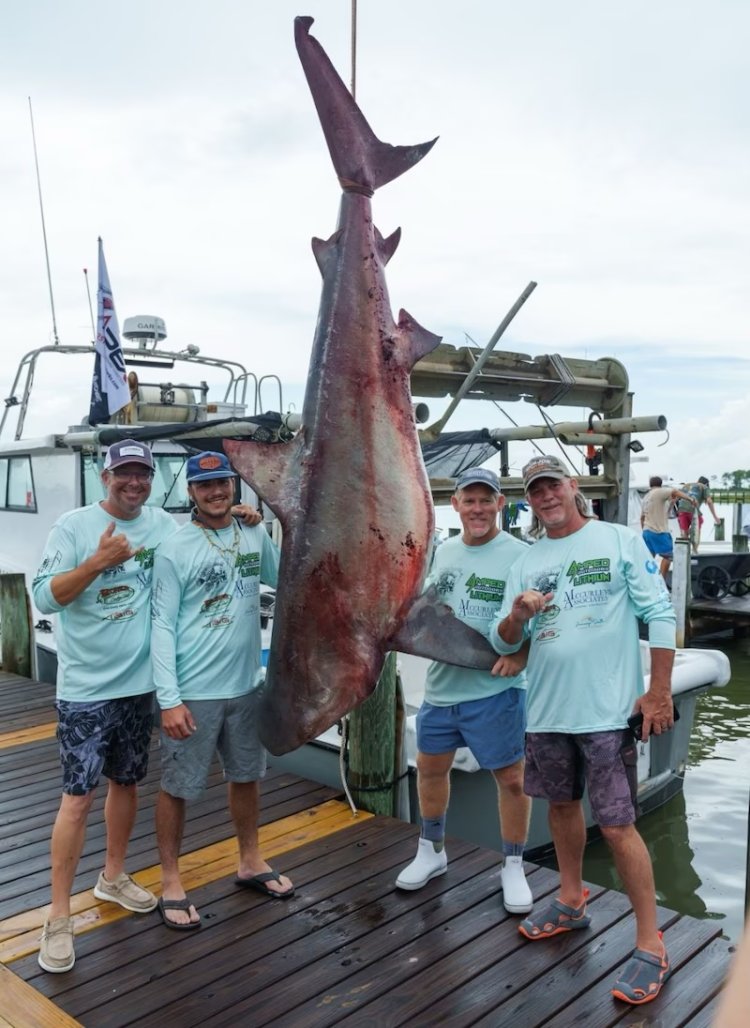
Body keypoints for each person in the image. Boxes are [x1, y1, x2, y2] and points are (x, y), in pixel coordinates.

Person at [490, 454, 677, 1006]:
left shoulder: (619, 539)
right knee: (561, 809)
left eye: (553, 485)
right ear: (529, 499)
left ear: (573, 487)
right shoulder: (527, 561)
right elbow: (505, 642)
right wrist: (519, 616)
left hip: (605, 713)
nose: (546, 496)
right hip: (547, 713)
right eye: (536, 490)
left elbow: (660, 613)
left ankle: (651, 941)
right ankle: (571, 900)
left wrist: (659, 691)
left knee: (618, 827)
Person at [31, 439, 178, 973]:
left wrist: (238, 513)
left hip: (139, 689)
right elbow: (44, 596)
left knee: (127, 783)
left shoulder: (164, 524)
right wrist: (97, 562)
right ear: (104, 476)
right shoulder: (72, 527)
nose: (133, 482)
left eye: (142, 473)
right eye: (124, 474)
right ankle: (58, 916)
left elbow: (200, 540)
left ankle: (112, 876)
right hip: (86, 690)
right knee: (77, 799)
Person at [152, 451, 293, 929]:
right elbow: (161, 627)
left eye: (223, 484)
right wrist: (168, 698)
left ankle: (250, 860)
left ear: (234, 487)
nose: (216, 493)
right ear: (190, 492)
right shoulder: (175, 548)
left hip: (246, 684)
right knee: (177, 787)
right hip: (193, 691)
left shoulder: (251, 532)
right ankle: (170, 879)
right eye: (205, 486)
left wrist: (272, 521)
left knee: (247, 775)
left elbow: (283, 578)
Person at [395, 467, 533, 915]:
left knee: (512, 781)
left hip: (495, 689)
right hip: (441, 686)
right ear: (454, 504)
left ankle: (513, 864)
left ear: (500, 504)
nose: (478, 508)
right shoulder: (442, 550)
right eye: (469, 500)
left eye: (486, 500)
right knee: (431, 771)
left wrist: (522, 656)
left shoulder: (521, 554)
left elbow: (546, 617)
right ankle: (431, 849)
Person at [640, 476, 696, 579]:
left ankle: (646, 581)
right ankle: (662, 582)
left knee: (648, 558)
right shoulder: (659, 492)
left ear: (650, 484)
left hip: (646, 532)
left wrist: (671, 504)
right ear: (660, 485)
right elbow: (675, 491)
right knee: (668, 557)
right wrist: (690, 499)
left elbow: (642, 518)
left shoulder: (646, 497)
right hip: (659, 532)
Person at [675, 476, 721, 552]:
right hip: (693, 511)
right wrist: (715, 517)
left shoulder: (686, 485)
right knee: (696, 530)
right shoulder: (704, 487)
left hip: (681, 510)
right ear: (706, 484)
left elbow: (676, 498)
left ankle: (685, 552)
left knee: (684, 532)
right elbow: (709, 501)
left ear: (697, 480)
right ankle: (695, 550)